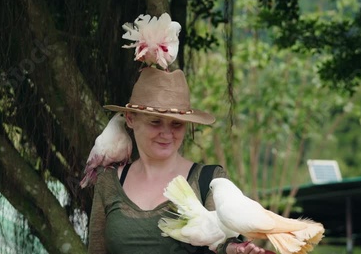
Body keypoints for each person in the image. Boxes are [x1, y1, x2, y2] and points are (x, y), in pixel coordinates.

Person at [87, 13, 268, 254]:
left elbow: (227, 242)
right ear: (130, 119)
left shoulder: (210, 181)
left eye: (176, 124)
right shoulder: (108, 182)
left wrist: (238, 250)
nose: (166, 134)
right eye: (155, 122)